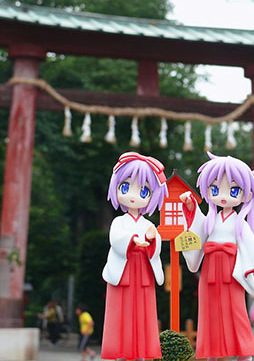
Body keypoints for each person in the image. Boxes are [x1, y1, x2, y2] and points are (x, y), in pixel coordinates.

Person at [180, 152, 254, 361]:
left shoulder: (239, 223)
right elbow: (196, 230)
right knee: (210, 313)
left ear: (245, 194)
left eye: (233, 190)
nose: (223, 196)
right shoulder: (210, 220)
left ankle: (244, 354)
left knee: (236, 312)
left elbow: (250, 244)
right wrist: (191, 207)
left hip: (231, 272)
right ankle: (212, 354)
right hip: (210, 272)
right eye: (215, 189)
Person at [101, 152, 168, 361]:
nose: (133, 195)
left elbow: (156, 246)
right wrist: (133, 240)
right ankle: (121, 353)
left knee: (143, 313)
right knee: (120, 313)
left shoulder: (148, 224)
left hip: (143, 272)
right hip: (124, 271)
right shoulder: (119, 222)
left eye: (144, 191)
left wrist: (152, 239)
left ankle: (141, 353)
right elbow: (115, 239)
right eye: (125, 187)